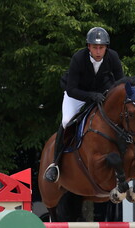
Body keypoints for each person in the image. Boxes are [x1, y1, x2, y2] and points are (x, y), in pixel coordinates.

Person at [44, 26, 124, 182]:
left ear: (106, 47)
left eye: (101, 48)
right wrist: (91, 96)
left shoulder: (113, 57)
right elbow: (71, 89)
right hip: (77, 95)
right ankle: (55, 164)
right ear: (89, 47)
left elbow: (121, 83)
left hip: (102, 94)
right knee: (66, 121)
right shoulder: (78, 58)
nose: (98, 51)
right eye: (95, 47)